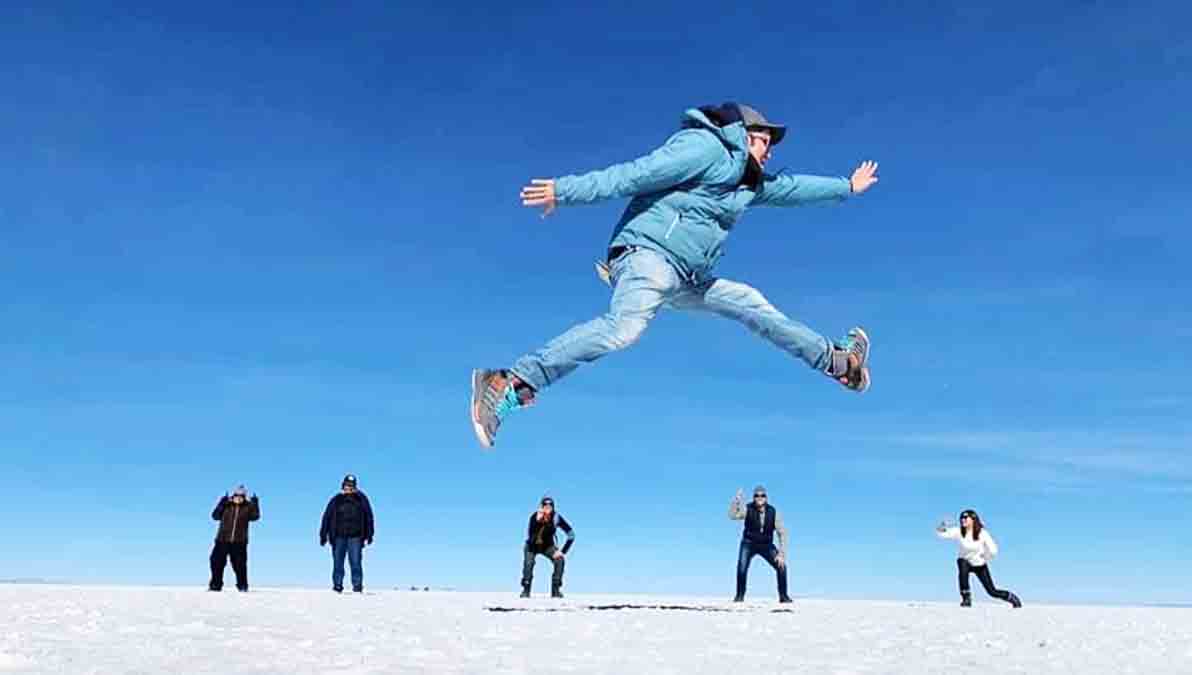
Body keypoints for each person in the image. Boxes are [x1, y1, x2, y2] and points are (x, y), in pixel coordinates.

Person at [470, 102, 879, 447]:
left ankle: (838, 361)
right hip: (648, 255)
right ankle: (509, 381)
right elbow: (638, 174)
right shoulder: (704, 147)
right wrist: (566, 190)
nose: (769, 152)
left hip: (687, 277)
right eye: (765, 142)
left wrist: (846, 186)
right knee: (625, 329)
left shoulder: (747, 182)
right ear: (743, 132)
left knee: (751, 304)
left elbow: (792, 189)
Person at [936, 509, 1022, 608]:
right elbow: (941, 534)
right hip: (965, 562)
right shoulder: (959, 531)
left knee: (992, 591)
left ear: (973, 519)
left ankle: (1012, 598)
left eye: (965, 518)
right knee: (962, 564)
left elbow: (993, 550)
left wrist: (985, 557)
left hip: (979, 564)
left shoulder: (982, 533)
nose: (962, 520)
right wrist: (942, 525)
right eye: (961, 518)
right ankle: (966, 598)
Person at [728, 485, 792, 603]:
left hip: (766, 545)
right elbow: (732, 515)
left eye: (762, 495)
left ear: (766, 498)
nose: (759, 497)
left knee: (782, 566)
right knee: (741, 567)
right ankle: (739, 596)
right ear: (753, 498)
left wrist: (782, 553)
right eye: (756, 495)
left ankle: (784, 596)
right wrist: (736, 501)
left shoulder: (773, 511)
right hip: (749, 543)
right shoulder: (748, 509)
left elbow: (782, 532)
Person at [319, 474, 375, 593]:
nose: (348, 488)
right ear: (343, 486)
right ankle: (337, 586)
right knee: (338, 563)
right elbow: (326, 517)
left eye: (351, 486)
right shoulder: (336, 500)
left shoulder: (361, 499)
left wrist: (370, 534)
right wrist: (323, 534)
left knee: (355, 562)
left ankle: (357, 587)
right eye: (346, 486)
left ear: (355, 487)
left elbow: (369, 516)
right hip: (339, 537)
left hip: (355, 537)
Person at [520, 495, 575, 599]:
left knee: (560, 560)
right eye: (545, 505)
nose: (548, 507)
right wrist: (538, 521)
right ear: (541, 506)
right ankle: (526, 590)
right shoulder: (534, 517)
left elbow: (571, 534)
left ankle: (556, 591)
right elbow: (531, 536)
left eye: (550, 505)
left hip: (548, 546)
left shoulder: (556, 518)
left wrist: (562, 551)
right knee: (529, 563)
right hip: (532, 546)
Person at [208, 485, 260, 592]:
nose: (239, 498)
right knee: (216, 562)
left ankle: (242, 586)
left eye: (242, 496)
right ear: (233, 495)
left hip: (239, 542)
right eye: (237, 495)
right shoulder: (226, 505)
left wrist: (255, 503)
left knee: (239, 565)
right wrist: (221, 503)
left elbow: (255, 517)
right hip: (222, 540)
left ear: (244, 497)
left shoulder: (248, 507)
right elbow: (215, 516)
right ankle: (215, 586)